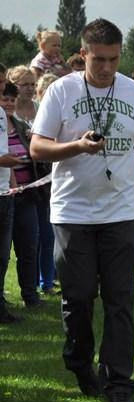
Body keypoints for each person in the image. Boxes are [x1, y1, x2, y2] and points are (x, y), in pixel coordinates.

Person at [30, 18, 134, 402]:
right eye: (98, 60)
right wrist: (76, 146)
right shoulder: (61, 91)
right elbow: (38, 148)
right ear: (83, 55)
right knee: (77, 299)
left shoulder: (133, 93)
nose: (107, 67)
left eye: (113, 59)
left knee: (120, 299)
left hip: (119, 213)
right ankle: (79, 362)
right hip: (71, 212)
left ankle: (119, 383)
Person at [2, 83, 44, 308]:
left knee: (29, 247)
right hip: (5, 195)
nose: (8, 103)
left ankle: (31, 295)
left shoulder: (21, 125)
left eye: (11, 99)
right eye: (4, 98)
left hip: (27, 195)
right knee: (3, 253)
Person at [0, 70, 24, 324]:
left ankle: (0, 307)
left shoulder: (1, 114)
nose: (2, 87)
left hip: (5, 193)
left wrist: (12, 181)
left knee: (3, 255)